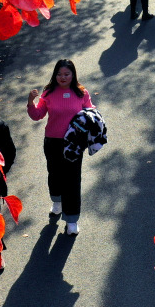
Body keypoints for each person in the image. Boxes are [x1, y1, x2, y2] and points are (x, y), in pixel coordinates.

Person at [27, 60, 93, 235]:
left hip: (74, 143)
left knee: (72, 180)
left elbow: (90, 112)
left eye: (66, 74)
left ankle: (72, 220)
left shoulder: (81, 93)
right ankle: (57, 202)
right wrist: (31, 102)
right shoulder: (48, 92)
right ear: (55, 75)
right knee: (54, 174)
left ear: (73, 75)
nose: (63, 78)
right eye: (59, 74)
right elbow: (37, 115)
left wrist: (91, 127)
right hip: (52, 141)